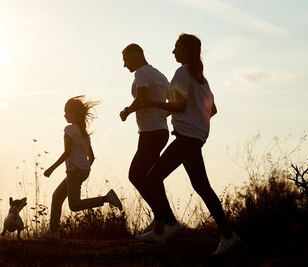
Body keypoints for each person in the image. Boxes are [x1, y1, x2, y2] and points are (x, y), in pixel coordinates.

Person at [137, 33, 240, 255]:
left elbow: (180, 105)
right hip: (193, 138)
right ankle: (228, 235)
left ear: (186, 50)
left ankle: (163, 228)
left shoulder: (182, 72)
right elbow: (212, 109)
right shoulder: (200, 77)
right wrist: (199, 127)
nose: (173, 52)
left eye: (176, 48)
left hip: (186, 138)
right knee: (201, 186)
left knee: (153, 177)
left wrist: (151, 103)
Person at [41, 95, 123, 240]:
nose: (65, 115)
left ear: (74, 114)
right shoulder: (84, 133)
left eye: (67, 112)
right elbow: (91, 157)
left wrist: (51, 169)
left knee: (74, 205)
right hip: (82, 171)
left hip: (75, 172)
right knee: (57, 196)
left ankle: (106, 198)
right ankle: (53, 232)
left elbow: (67, 152)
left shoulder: (69, 130)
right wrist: (84, 168)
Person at [119, 44, 169, 232]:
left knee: (139, 176)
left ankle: (166, 220)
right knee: (148, 176)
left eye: (126, 59)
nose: (124, 65)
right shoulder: (159, 75)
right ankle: (162, 220)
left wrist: (126, 111)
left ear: (137, 55)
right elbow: (169, 103)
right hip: (159, 131)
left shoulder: (141, 73)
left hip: (150, 133)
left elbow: (141, 99)